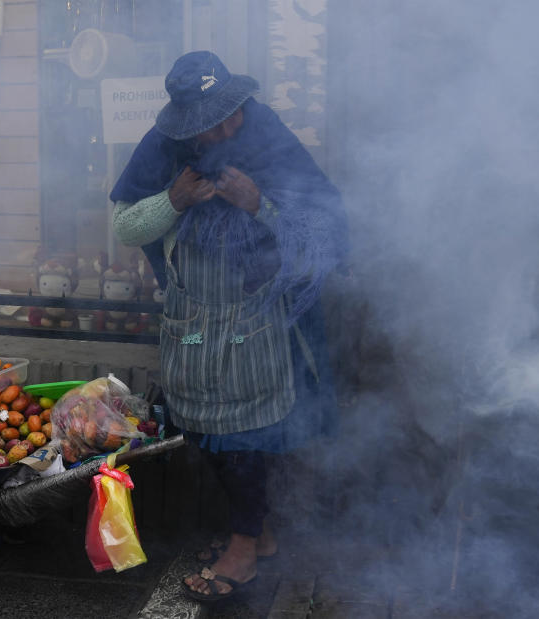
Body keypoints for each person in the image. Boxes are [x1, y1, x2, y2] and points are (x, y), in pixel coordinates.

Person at [111, 51, 348, 601]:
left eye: (231, 113)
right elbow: (126, 225)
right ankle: (258, 535)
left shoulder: (269, 137)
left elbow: (321, 233)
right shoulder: (163, 147)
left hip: (262, 315)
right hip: (192, 317)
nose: (224, 128)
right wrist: (174, 198)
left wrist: (258, 204)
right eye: (208, 123)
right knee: (200, 427)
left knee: (246, 434)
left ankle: (243, 548)